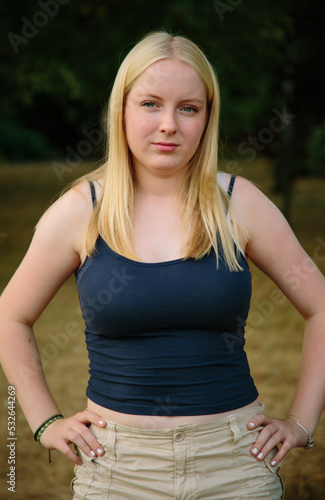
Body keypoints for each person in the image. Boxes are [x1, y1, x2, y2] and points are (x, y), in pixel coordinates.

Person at [0, 30, 325, 500]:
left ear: (207, 118)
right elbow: (10, 316)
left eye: (188, 108)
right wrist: (44, 421)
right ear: (122, 110)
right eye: (150, 104)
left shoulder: (239, 203)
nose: (169, 124)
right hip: (116, 469)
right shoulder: (81, 210)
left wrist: (300, 421)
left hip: (235, 462)